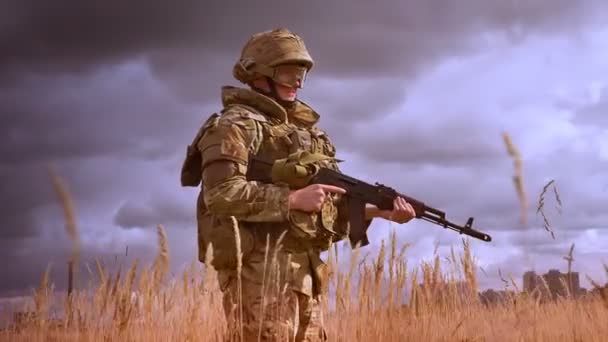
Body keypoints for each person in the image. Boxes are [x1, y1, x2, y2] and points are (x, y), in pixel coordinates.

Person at [180, 28, 416, 342]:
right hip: (259, 278)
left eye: (302, 73)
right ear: (258, 74)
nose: (298, 82)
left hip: (305, 278)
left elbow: (325, 206)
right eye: (288, 72)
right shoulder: (233, 125)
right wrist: (290, 199)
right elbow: (221, 194)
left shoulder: (306, 133)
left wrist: (377, 212)